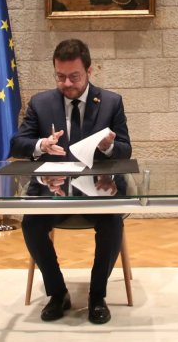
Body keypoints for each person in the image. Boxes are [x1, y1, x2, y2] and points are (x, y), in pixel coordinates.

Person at [10, 38, 131, 324]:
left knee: (112, 221)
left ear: (89, 71)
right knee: (31, 223)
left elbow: (125, 150)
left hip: (98, 188)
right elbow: (17, 145)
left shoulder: (111, 102)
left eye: (74, 76)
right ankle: (58, 293)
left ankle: (96, 296)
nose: (67, 83)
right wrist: (41, 145)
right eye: (60, 76)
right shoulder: (41, 103)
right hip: (52, 189)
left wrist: (108, 147)